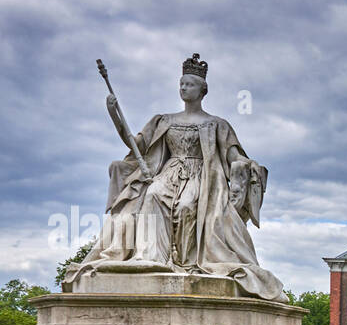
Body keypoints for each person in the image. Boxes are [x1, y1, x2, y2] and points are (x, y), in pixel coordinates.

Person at [69, 53, 286, 302]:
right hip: (169, 172)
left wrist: (245, 166)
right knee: (152, 195)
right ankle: (151, 258)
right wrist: (114, 115)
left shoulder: (216, 124)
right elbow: (135, 144)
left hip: (201, 176)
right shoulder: (164, 120)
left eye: (190, 84)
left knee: (186, 207)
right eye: (181, 84)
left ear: (202, 90)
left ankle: (186, 263)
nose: (184, 88)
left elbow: (233, 155)